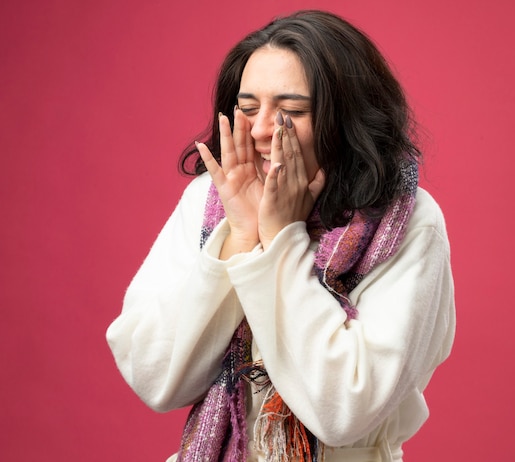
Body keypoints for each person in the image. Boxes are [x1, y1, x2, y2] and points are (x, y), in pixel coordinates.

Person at [106, 9, 455, 462]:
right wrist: (240, 236)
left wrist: (280, 239)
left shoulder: (407, 222)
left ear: (346, 120)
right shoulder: (209, 203)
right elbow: (153, 376)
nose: (261, 130)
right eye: (248, 109)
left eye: (291, 111)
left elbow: (344, 409)